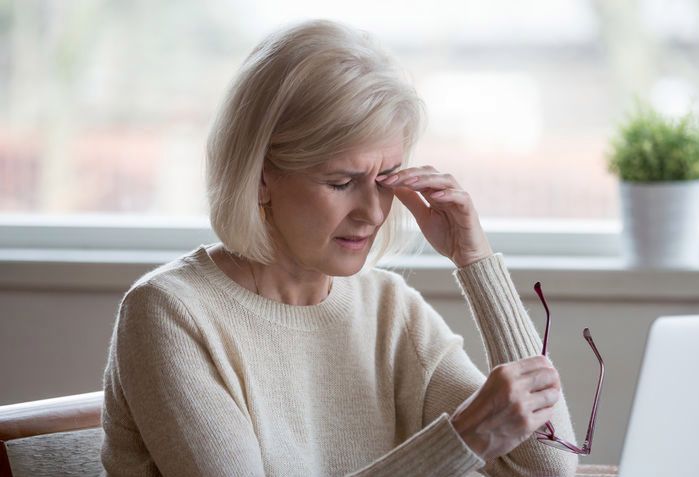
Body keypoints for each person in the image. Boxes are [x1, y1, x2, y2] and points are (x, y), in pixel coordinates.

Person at [100, 19, 578, 477]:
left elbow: (546, 466)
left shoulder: (388, 309)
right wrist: (462, 441)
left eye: (385, 179)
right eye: (341, 182)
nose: (372, 212)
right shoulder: (169, 314)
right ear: (262, 177)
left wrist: (475, 261)